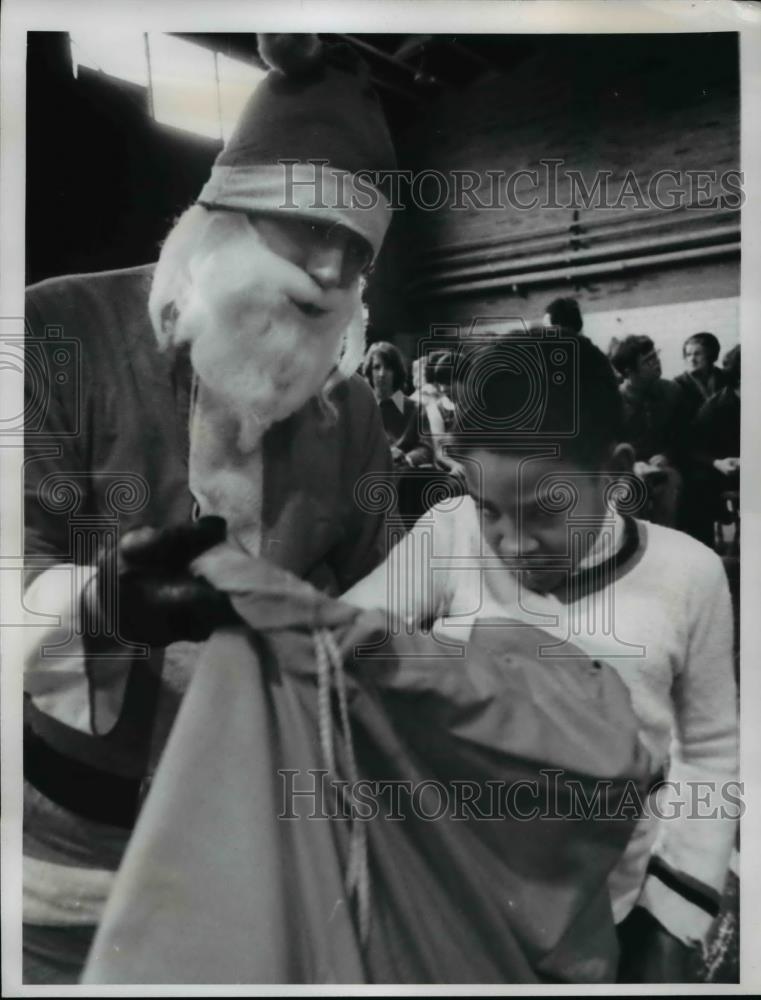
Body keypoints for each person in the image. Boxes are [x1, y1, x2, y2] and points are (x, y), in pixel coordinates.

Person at [22, 33, 399, 983]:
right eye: (305, 229)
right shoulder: (53, 335)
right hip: (61, 858)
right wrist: (91, 609)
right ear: (218, 221)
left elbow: (379, 605)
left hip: (256, 845)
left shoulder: (350, 416)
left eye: (354, 250)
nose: (327, 266)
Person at [344, 331, 738, 983]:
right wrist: (234, 602)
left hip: (610, 908)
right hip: (464, 900)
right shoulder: (449, 537)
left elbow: (710, 753)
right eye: (488, 507)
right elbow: (347, 632)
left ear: (614, 473)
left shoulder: (688, 574)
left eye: (544, 511)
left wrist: (669, 918)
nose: (513, 543)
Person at [610, 335, 688, 527]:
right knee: (626, 493)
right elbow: (605, 445)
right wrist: (630, 465)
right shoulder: (612, 402)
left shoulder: (672, 391)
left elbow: (682, 436)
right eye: (648, 361)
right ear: (629, 371)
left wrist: (666, 455)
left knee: (669, 488)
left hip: (664, 467)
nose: (657, 363)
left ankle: (665, 548)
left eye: (656, 356)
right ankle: (631, 549)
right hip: (625, 471)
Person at [362, 341, 433, 469]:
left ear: (396, 372)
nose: (382, 374)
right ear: (369, 372)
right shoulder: (362, 408)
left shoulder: (415, 408)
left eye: (388, 368)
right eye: (377, 367)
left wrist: (406, 459)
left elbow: (426, 448)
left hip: (402, 474)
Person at [674, 332, 727, 423]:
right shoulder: (677, 385)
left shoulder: (726, 378)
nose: (692, 359)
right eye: (688, 354)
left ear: (711, 355)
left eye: (697, 354)